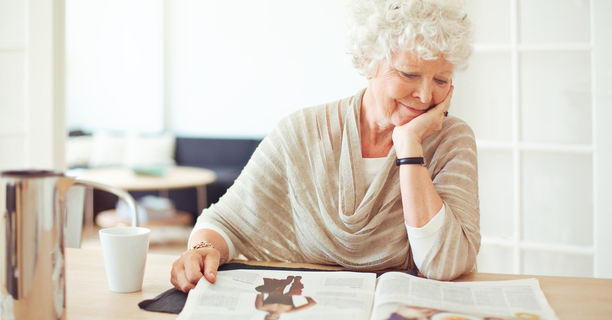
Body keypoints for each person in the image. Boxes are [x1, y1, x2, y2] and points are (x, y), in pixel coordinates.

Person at [171, 0, 480, 293]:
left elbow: (444, 263)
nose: (426, 96)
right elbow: (225, 221)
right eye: (409, 74)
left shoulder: (451, 139)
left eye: (441, 80)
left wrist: (409, 145)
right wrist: (202, 250)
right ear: (367, 58)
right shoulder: (302, 132)